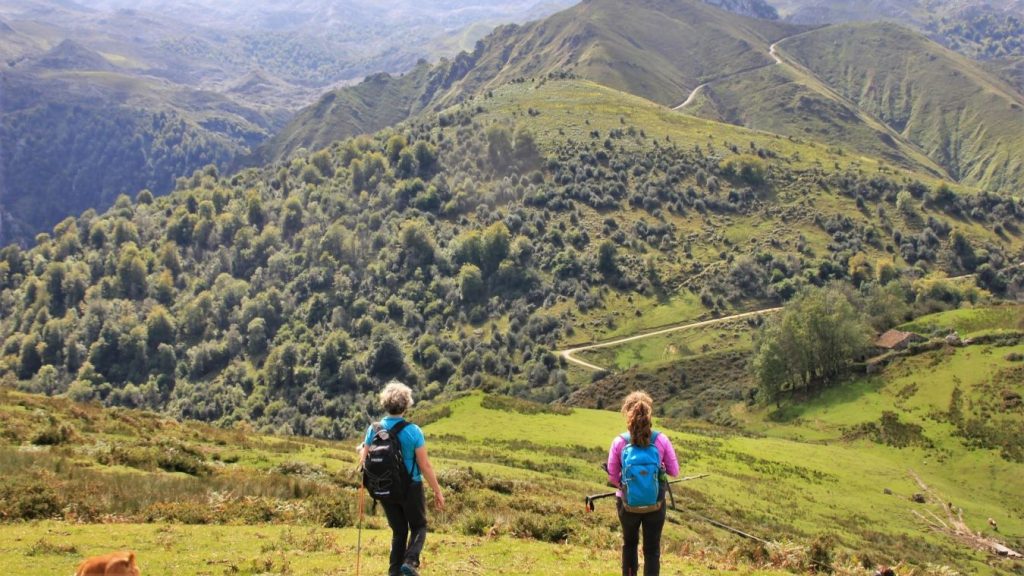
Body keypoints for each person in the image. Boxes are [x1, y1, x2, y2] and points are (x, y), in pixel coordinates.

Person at [360, 381, 445, 576]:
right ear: (406, 405)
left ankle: (393, 572)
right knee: (419, 526)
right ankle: (410, 562)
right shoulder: (414, 431)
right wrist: (438, 491)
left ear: (385, 404)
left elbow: (364, 460)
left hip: (386, 488)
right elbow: (425, 465)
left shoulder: (374, 429)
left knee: (399, 532)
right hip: (411, 488)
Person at [607, 391, 679, 576]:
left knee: (629, 544)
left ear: (627, 413)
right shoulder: (661, 440)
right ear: (649, 413)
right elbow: (674, 471)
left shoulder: (619, 442)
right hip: (655, 504)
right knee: (652, 550)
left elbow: (613, 477)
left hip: (627, 504)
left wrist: (626, 485)